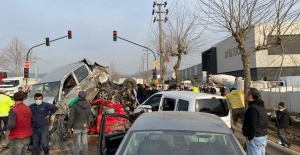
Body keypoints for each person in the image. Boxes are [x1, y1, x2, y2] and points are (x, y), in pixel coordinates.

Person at [242, 88, 268, 155]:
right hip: (262, 136)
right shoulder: (262, 107)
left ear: (250, 96)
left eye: (246, 94)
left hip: (255, 138)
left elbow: (253, 124)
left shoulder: (252, 108)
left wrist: (250, 137)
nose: (245, 95)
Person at [68, 91, 92, 155]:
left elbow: (71, 117)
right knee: (85, 142)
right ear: (85, 96)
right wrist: (88, 126)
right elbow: (89, 117)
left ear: (78, 96)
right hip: (85, 126)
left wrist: (69, 127)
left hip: (76, 127)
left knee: (77, 144)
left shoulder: (75, 105)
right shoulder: (88, 105)